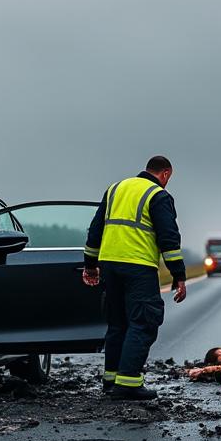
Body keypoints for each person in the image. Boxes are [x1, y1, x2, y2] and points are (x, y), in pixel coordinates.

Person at [83, 155, 187, 400]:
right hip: (138, 266)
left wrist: (90, 265)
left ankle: (111, 379)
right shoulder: (158, 195)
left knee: (117, 323)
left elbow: (95, 229)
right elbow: (169, 240)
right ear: (166, 174)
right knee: (143, 322)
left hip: (110, 265)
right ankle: (128, 383)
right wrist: (179, 275)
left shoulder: (115, 189)